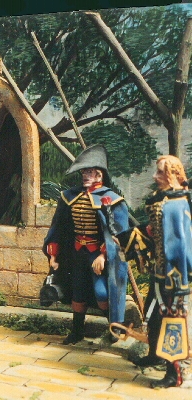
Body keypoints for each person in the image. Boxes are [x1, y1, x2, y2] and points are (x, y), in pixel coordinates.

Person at [43, 144, 130, 345]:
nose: (85, 176)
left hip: (97, 255)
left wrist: (103, 255)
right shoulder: (70, 196)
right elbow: (59, 227)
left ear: (99, 175)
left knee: (101, 292)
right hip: (76, 253)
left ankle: (114, 328)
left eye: (89, 172)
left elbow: (118, 234)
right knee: (78, 291)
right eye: (83, 172)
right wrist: (54, 255)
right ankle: (77, 331)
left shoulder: (112, 200)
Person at [135, 155, 191, 388]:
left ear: (172, 175)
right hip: (160, 270)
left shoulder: (176, 204)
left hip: (173, 275)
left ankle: (174, 374)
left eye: (159, 172)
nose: (155, 176)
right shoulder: (165, 199)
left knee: (172, 320)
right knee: (154, 315)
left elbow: (179, 245)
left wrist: (177, 280)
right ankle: (155, 354)